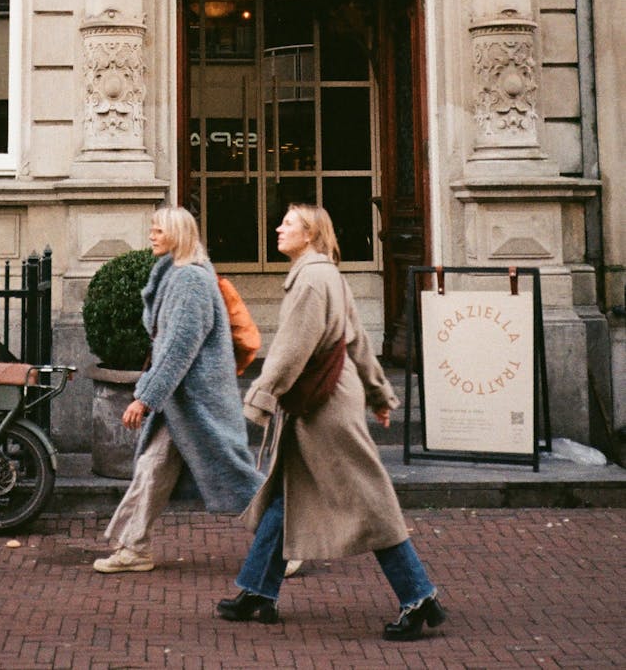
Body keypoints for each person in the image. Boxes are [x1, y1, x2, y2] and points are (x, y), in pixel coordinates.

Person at [216, 203, 447, 641]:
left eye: (289, 223)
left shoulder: (310, 281)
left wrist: (259, 399)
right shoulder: (329, 275)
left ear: (310, 234)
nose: (279, 228)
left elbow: (290, 349)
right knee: (288, 494)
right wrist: (379, 393)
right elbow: (357, 341)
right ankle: (257, 591)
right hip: (329, 401)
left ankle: (418, 597)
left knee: (368, 501)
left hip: (323, 410)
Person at [92, 205, 263, 574]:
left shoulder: (190, 281)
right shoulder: (176, 274)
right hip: (182, 402)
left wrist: (144, 398)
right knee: (152, 469)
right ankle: (134, 547)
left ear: (178, 234)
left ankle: (285, 542)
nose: (151, 235)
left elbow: (177, 349)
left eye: (158, 230)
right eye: (151, 229)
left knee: (236, 476)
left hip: (199, 403)